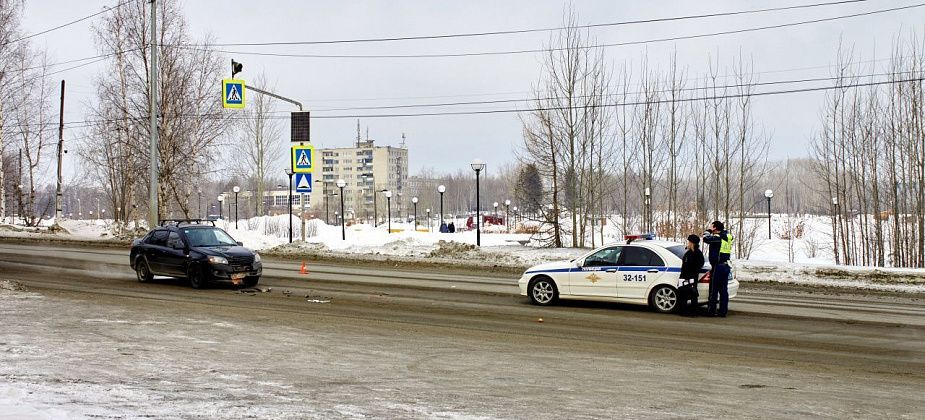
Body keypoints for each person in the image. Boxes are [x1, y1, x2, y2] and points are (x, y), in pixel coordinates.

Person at [703, 221, 734, 317]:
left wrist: (708, 231)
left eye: (712, 226)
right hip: (726, 265)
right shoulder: (727, 236)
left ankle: (711, 311)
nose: (710, 227)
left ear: (715, 228)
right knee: (723, 290)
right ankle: (723, 311)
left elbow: (705, 238)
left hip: (718, 266)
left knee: (714, 290)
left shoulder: (718, 237)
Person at [678, 234, 705, 316]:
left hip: (691, 277)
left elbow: (699, 265)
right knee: (683, 294)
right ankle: (683, 311)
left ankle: (694, 312)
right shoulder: (688, 253)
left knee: (693, 294)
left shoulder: (698, 254)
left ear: (692, 243)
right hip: (684, 276)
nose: (688, 243)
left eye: (689, 242)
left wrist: (692, 274)